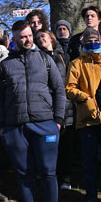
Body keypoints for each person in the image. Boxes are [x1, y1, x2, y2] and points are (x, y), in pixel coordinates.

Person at [0, 20, 65, 202]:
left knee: (48, 172)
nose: (27, 40)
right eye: (22, 37)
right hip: (15, 127)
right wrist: (3, 128)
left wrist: (58, 120)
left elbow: (59, 91)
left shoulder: (46, 60)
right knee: (24, 174)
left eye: (29, 35)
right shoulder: (5, 65)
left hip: (45, 124)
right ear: (13, 39)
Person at [65, 27, 101, 202]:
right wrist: (84, 98)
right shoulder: (76, 63)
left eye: (96, 40)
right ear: (83, 43)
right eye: (89, 41)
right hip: (86, 119)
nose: (93, 44)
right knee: (89, 160)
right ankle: (91, 196)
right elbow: (69, 88)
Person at [35, 30, 75, 191]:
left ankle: (65, 178)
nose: (40, 39)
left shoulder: (63, 57)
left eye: (43, 36)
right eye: (37, 38)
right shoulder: (37, 58)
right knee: (49, 146)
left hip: (66, 106)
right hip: (47, 107)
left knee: (66, 146)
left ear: (51, 37)